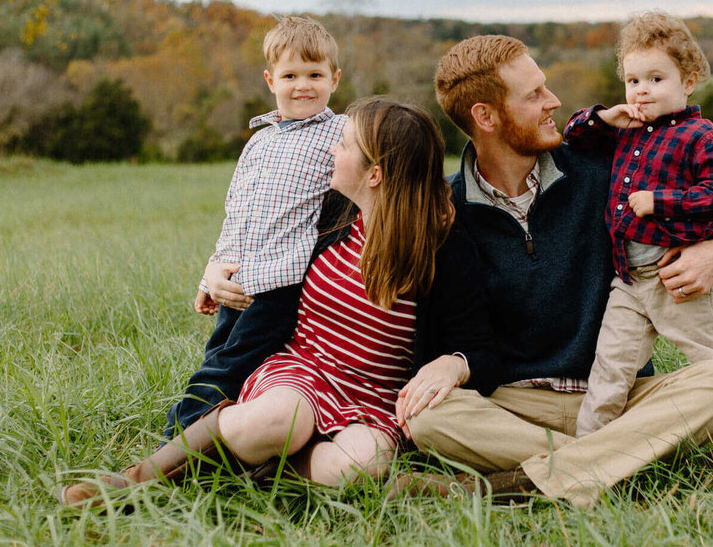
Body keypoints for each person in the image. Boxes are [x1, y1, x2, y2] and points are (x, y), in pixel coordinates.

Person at [59, 99, 496, 507]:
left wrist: (454, 361)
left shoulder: (443, 248)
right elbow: (256, 239)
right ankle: (129, 486)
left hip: (375, 395)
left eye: (342, 145)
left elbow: (476, 343)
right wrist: (213, 271)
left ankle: (267, 469)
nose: (331, 152)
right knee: (273, 420)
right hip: (304, 369)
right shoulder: (332, 213)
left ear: (375, 174)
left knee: (362, 467)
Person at [394, 34, 713, 509]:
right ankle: (634, 464)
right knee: (429, 418)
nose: (554, 102)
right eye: (534, 95)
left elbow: (708, 216)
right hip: (513, 405)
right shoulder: (446, 209)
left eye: (545, 87)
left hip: (619, 396)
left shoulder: (603, 167)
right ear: (485, 117)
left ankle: (512, 487)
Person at [562, 11, 713, 464]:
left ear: (689, 81)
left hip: (673, 273)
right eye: (633, 80)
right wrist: (606, 117)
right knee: (610, 367)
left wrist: (661, 201)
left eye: (656, 78)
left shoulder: (700, 134)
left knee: (712, 355)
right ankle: (587, 453)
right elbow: (573, 136)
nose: (642, 90)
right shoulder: (626, 132)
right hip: (628, 278)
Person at [163, 15, 346, 439]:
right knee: (220, 352)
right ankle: (230, 425)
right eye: (291, 75)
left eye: (315, 74)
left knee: (229, 362)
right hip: (239, 281)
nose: (304, 85)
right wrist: (212, 271)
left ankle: (179, 434)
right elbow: (237, 213)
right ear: (270, 80)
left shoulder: (339, 132)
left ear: (334, 79)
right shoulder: (259, 141)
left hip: (282, 282)